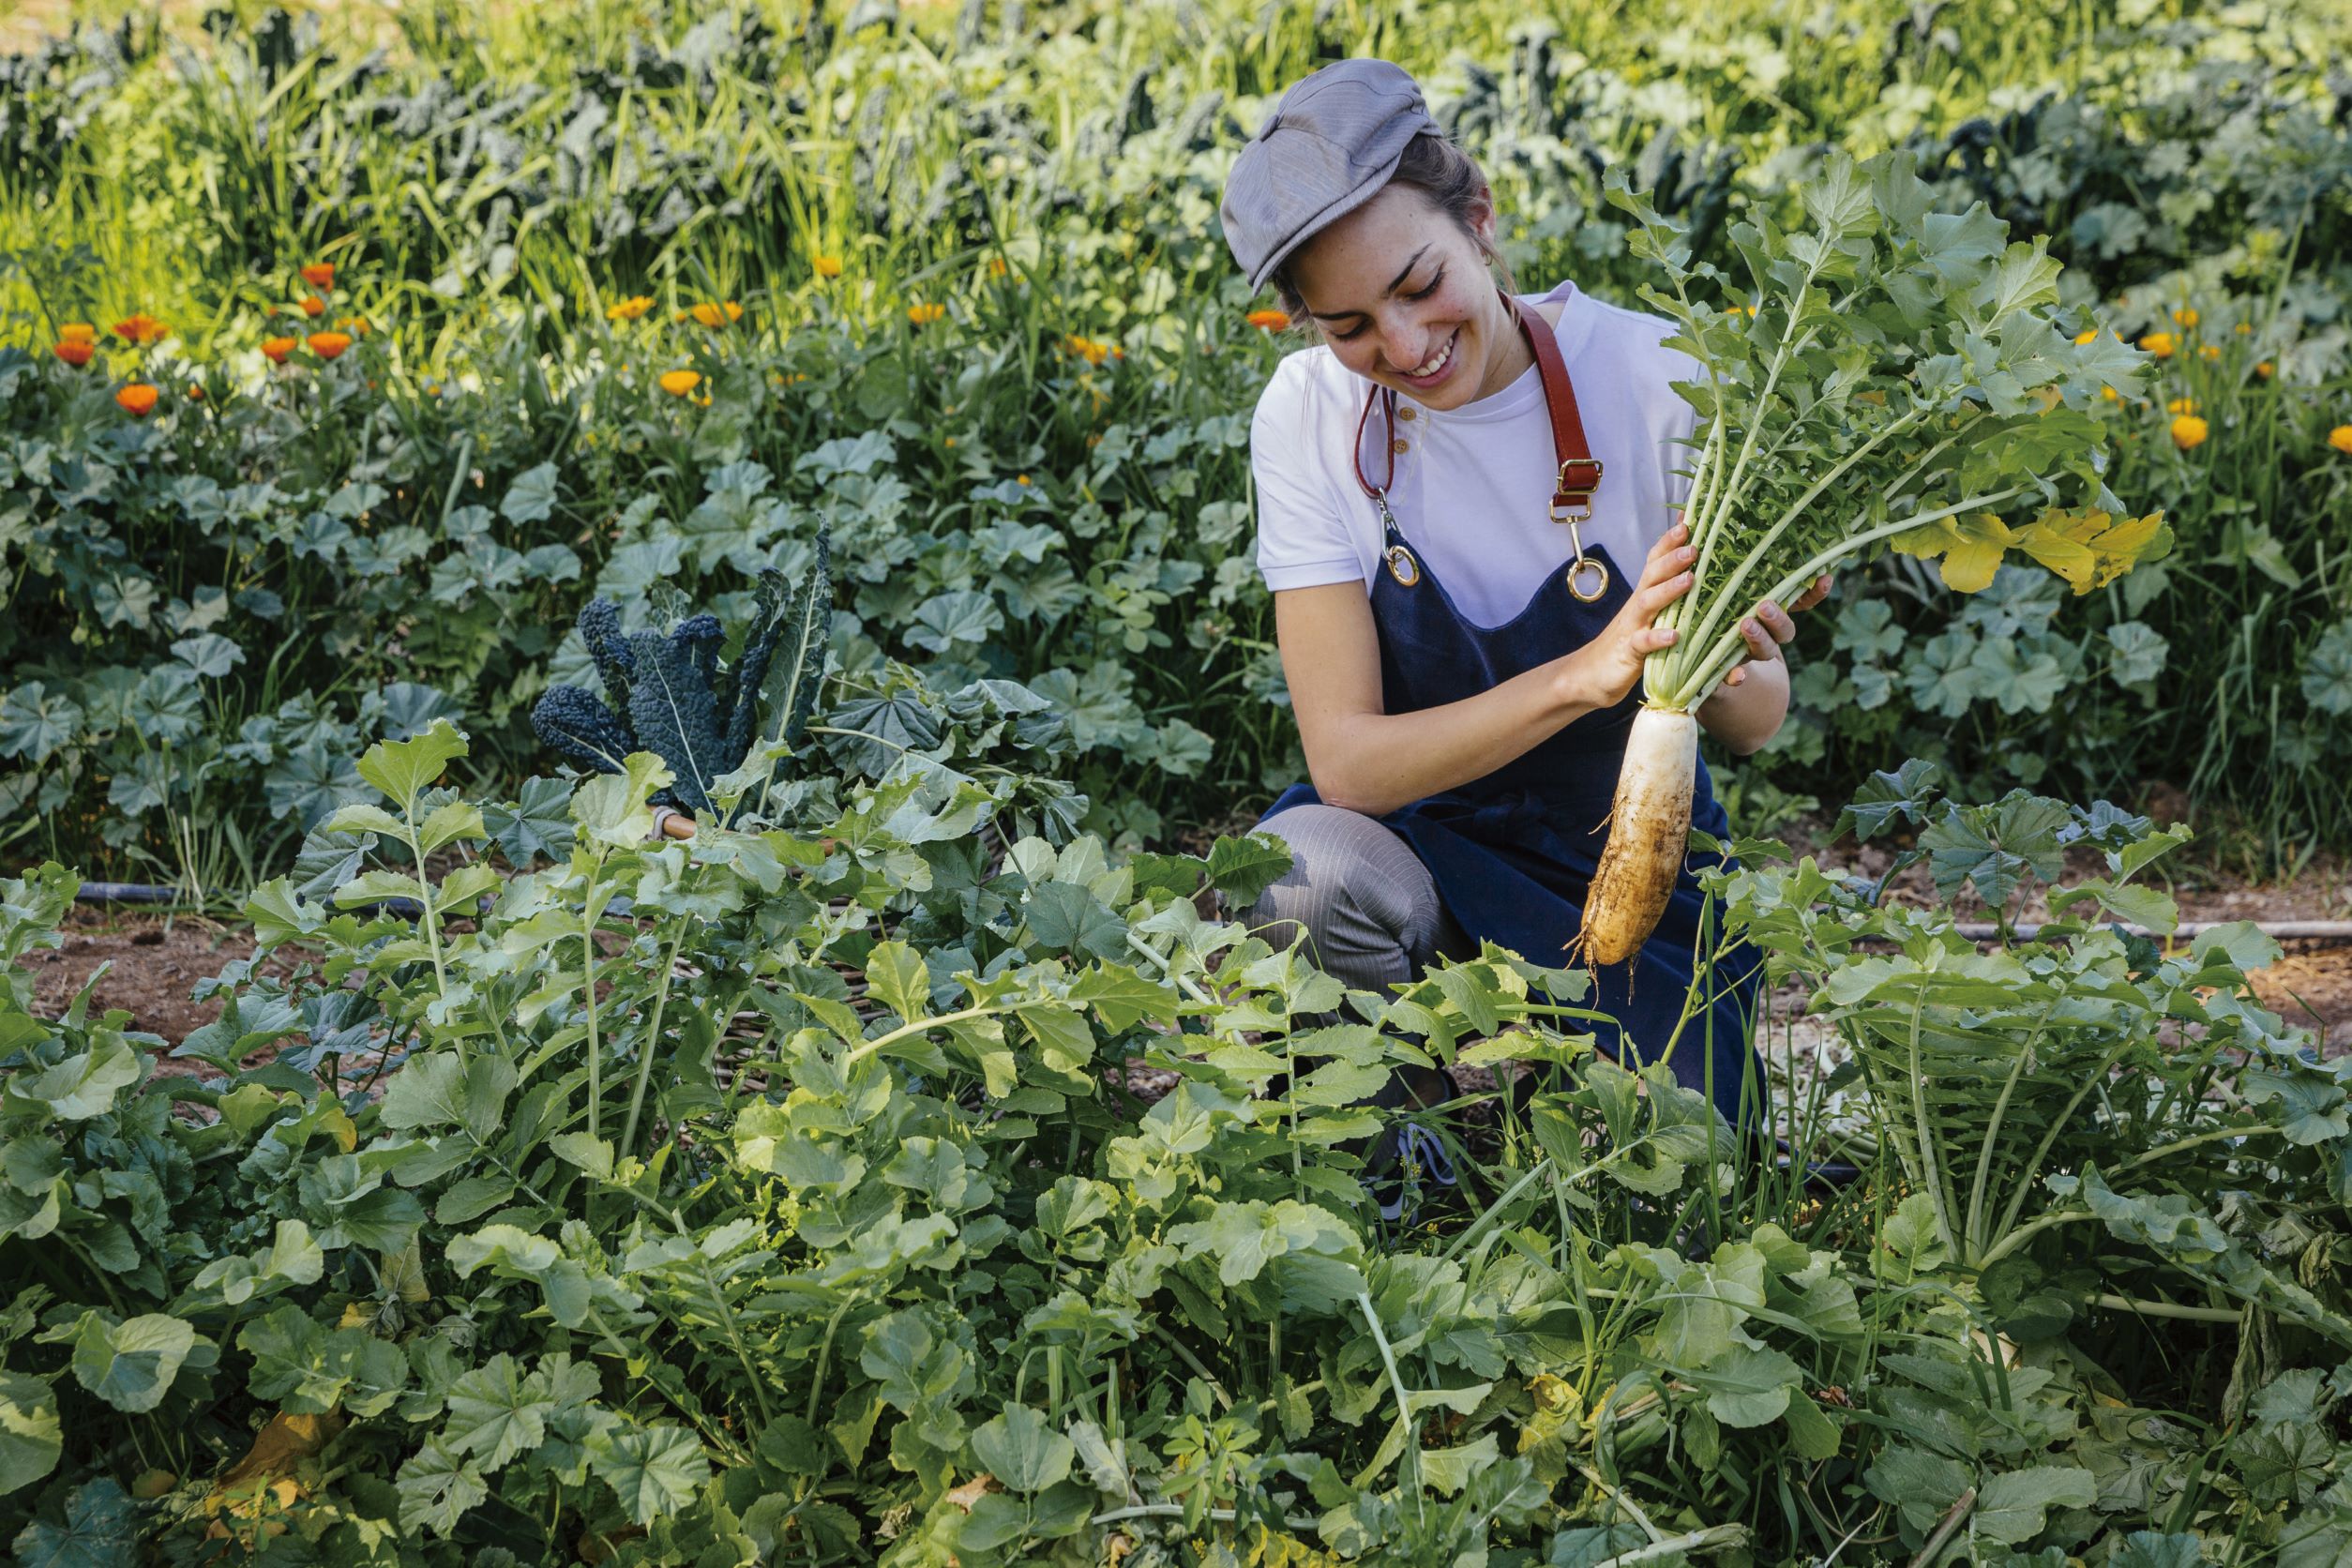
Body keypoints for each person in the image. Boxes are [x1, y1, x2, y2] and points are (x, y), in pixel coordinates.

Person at [1216, 58, 1831, 1131]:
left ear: (1480, 219)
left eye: (1418, 285)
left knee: (1667, 1170)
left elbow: (1759, 722)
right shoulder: (1305, 416)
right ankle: (1393, 1171)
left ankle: (1540, 1113)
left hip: (1634, 861)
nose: (1403, 346)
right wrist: (1585, 674)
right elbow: (1349, 764)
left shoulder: (1658, 378)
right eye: (1350, 325)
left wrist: (1717, 649)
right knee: (1305, 880)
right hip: (1421, 843)